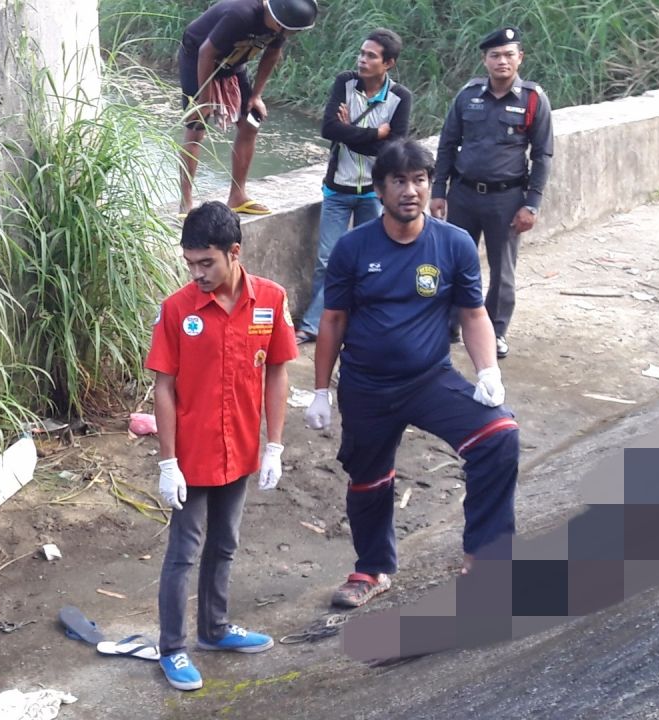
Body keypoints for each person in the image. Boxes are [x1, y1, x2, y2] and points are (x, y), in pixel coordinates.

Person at [305, 140, 520, 609]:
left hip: (429, 380)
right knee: (368, 480)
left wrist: (488, 371)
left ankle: (485, 555)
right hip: (365, 386)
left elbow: (474, 314)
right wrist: (321, 390)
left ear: (429, 185)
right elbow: (333, 320)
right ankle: (371, 569)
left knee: (499, 436)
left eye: (419, 180)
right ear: (380, 190)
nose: (410, 190)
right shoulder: (352, 248)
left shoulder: (454, 243)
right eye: (399, 181)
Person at [145, 201, 298, 690]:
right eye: (190, 263)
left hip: (241, 448)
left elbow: (277, 372)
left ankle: (214, 629)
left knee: (225, 542)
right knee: (184, 550)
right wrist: (168, 462)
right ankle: (173, 648)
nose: (197, 274)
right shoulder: (177, 309)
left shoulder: (269, 301)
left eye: (206, 262)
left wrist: (274, 445)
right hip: (192, 454)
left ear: (234, 253)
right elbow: (164, 387)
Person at [429, 26, 554, 358]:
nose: (502, 61)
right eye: (495, 55)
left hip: (506, 199)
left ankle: (495, 331)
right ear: (485, 60)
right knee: (454, 262)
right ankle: (449, 325)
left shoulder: (533, 99)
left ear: (520, 58)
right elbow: (447, 144)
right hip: (463, 195)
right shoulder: (467, 96)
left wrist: (532, 204)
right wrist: (439, 190)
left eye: (509, 55)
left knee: (503, 272)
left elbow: (542, 155)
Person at [296, 28, 413, 343]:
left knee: (370, 261)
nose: (362, 60)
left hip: (375, 193)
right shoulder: (345, 83)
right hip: (338, 188)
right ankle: (314, 325)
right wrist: (375, 134)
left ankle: (359, 320)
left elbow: (394, 150)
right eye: (362, 53)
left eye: (371, 56)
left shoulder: (400, 97)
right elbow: (328, 129)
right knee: (327, 260)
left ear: (388, 63)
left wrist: (349, 131)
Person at [176, 0, 319, 215]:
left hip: (233, 63)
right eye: (292, 31)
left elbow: (272, 54)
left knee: (251, 123)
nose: (293, 34)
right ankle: (185, 202)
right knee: (196, 127)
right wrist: (205, 100)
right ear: (278, 22)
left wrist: (256, 95)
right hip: (198, 59)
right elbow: (206, 52)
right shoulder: (240, 14)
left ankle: (237, 195)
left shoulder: (282, 22)